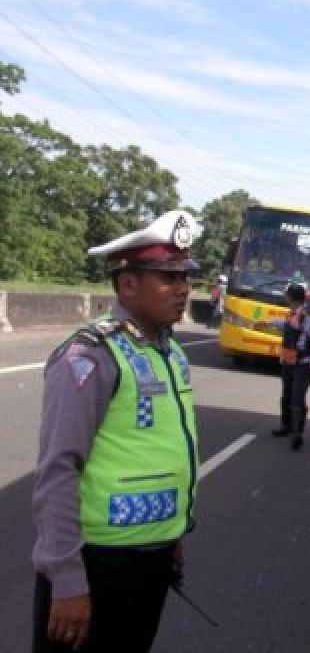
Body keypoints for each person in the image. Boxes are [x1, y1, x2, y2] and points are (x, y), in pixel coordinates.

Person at [32, 209, 202, 653]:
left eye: (185, 275)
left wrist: (171, 535)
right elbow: (57, 471)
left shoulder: (170, 353)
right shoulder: (91, 358)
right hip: (97, 565)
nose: (183, 288)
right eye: (168, 278)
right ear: (128, 284)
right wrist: (67, 580)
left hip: (152, 560)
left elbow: (160, 450)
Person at [271, 283, 310, 450]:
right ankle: (286, 427)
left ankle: (297, 435)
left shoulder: (307, 316)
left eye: (286, 295)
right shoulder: (292, 314)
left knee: (297, 399)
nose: (285, 297)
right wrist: (268, 322)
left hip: (302, 365)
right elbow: (286, 324)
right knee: (286, 396)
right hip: (288, 363)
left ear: (291, 297)